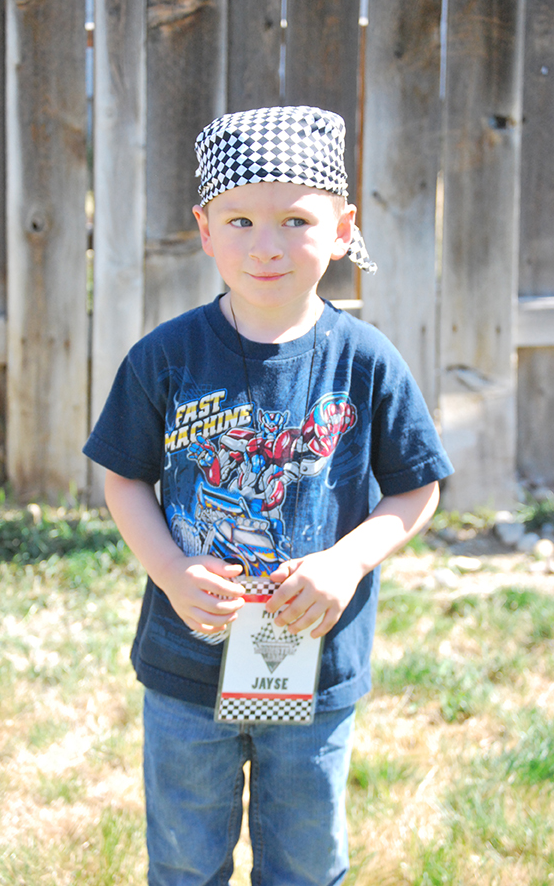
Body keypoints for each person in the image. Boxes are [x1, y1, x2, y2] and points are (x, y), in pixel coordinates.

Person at [83, 105, 454, 885]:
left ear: (343, 228)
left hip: (312, 667)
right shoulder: (166, 357)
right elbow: (124, 476)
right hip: (188, 668)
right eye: (241, 220)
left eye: (295, 220)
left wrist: (346, 562)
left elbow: (417, 489)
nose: (266, 245)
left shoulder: (365, 360)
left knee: (306, 862)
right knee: (184, 859)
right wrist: (170, 570)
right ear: (205, 228)